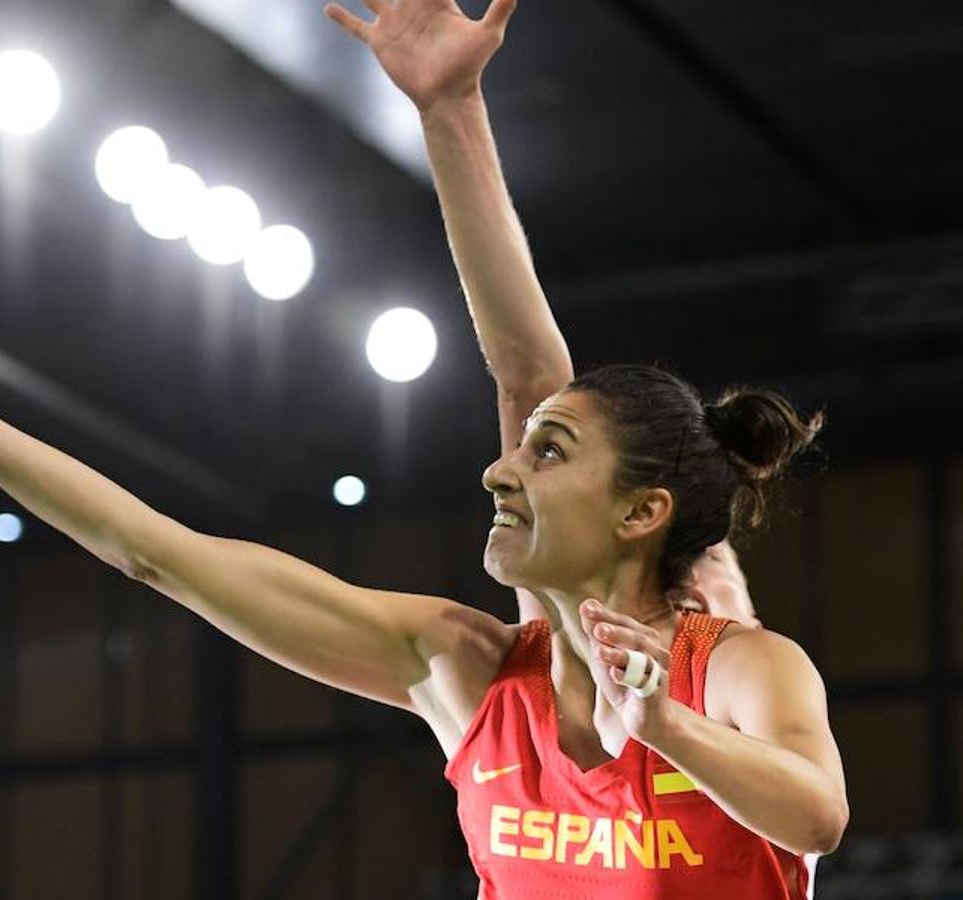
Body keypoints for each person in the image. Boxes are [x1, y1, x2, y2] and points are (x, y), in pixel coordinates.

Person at [326, 0, 843, 895]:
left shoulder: (736, 669)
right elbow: (527, 377)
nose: (512, 471)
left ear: (655, 520)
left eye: (553, 455)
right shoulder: (558, 627)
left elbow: (817, 816)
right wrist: (449, 111)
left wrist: (451, 111)